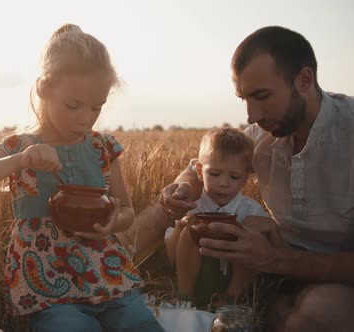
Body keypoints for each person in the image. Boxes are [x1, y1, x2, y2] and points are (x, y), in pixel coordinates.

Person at [0, 24, 164, 332]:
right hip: (50, 285)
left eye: (96, 107)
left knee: (138, 325)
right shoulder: (19, 147)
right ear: (44, 90)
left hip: (107, 274)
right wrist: (19, 161)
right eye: (73, 105)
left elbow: (127, 211)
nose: (86, 117)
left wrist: (114, 223)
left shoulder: (103, 148)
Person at [135, 26, 354, 331]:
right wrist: (183, 186)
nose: (251, 115)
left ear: (305, 80)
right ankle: (110, 274)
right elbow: (204, 164)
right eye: (244, 100)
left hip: (332, 277)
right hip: (268, 267)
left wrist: (277, 260)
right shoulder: (262, 135)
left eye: (262, 96)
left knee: (316, 313)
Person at [164, 127, 271, 307]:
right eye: (214, 174)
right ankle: (185, 297)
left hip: (236, 281)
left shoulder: (250, 210)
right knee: (191, 229)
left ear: (245, 178)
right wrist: (182, 227)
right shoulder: (193, 206)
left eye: (234, 177)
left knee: (249, 235)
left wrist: (267, 228)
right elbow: (171, 259)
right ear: (199, 170)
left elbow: (264, 255)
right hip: (198, 279)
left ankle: (230, 298)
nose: (223, 183)